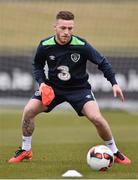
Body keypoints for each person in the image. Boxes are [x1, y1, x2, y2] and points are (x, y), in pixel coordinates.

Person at [8, 11, 131, 164]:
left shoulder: (81, 45)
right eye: (63, 28)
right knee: (28, 111)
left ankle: (114, 151)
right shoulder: (45, 45)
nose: (67, 32)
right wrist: (42, 83)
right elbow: (38, 66)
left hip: (79, 90)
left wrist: (114, 83)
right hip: (53, 89)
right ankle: (26, 150)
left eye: (70, 28)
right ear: (55, 27)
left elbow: (102, 62)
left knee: (97, 118)